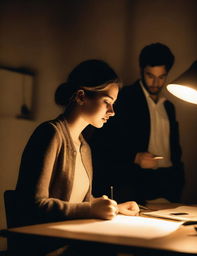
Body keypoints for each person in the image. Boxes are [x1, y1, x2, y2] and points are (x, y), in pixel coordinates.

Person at [14, 59, 139, 255]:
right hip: (48, 249)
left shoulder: (85, 147)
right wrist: (91, 209)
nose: (112, 112)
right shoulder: (50, 134)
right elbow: (34, 206)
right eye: (107, 102)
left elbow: (79, 200)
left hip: (73, 243)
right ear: (81, 96)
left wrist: (115, 207)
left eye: (113, 104)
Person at [90, 43, 185, 205]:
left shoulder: (168, 107)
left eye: (161, 77)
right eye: (150, 75)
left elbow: (175, 149)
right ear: (141, 71)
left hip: (168, 182)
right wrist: (135, 158)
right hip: (135, 182)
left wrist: (178, 177)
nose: (156, 82)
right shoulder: (124, 98)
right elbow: (103, 142)